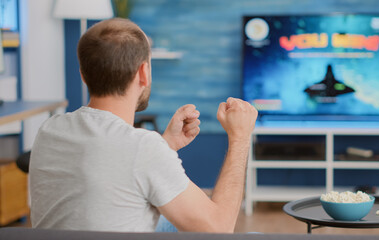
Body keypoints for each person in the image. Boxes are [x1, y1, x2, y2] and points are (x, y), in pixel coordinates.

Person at [29, 18, 258, 233]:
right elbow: (219, 228)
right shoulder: (143, 148)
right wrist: (240, 137)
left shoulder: (49, 130)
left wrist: (165, 145)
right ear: (143, 72)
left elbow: (112, 176)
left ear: (83, 75)